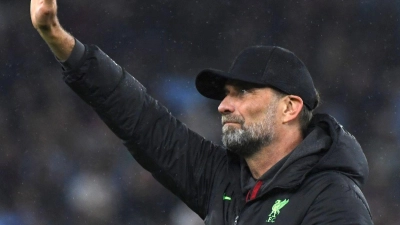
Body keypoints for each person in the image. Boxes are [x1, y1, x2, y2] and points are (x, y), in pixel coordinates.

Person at [30, 0, 373, 224]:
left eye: (242, 92)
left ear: (289, 107)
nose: (223, 105)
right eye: (225, 95)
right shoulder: (223, 178)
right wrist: (59, 39)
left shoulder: (334, 200)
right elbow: (140, 119)